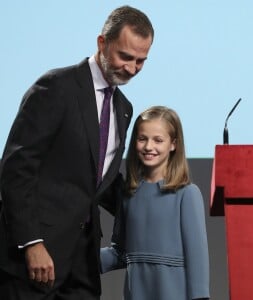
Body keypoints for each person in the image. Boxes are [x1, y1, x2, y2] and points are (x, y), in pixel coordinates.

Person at [0, 5, 154, 300]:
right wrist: (32, 243)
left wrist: (158, 197)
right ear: (102, 43)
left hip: (82, 265)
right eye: (125, 56)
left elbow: (97, 181)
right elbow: (16, 169)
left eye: (141, 61)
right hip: (33, 261)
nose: (132, 69)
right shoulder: (55, 87)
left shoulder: (123, 109)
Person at [101, 106, 210, 300]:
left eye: (158, 140)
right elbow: (120, 252)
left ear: (173, 144)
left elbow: (197, 258)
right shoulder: (129, 194)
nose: (149, 146)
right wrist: (75, 261)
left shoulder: (187, 194)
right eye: (142, 139)